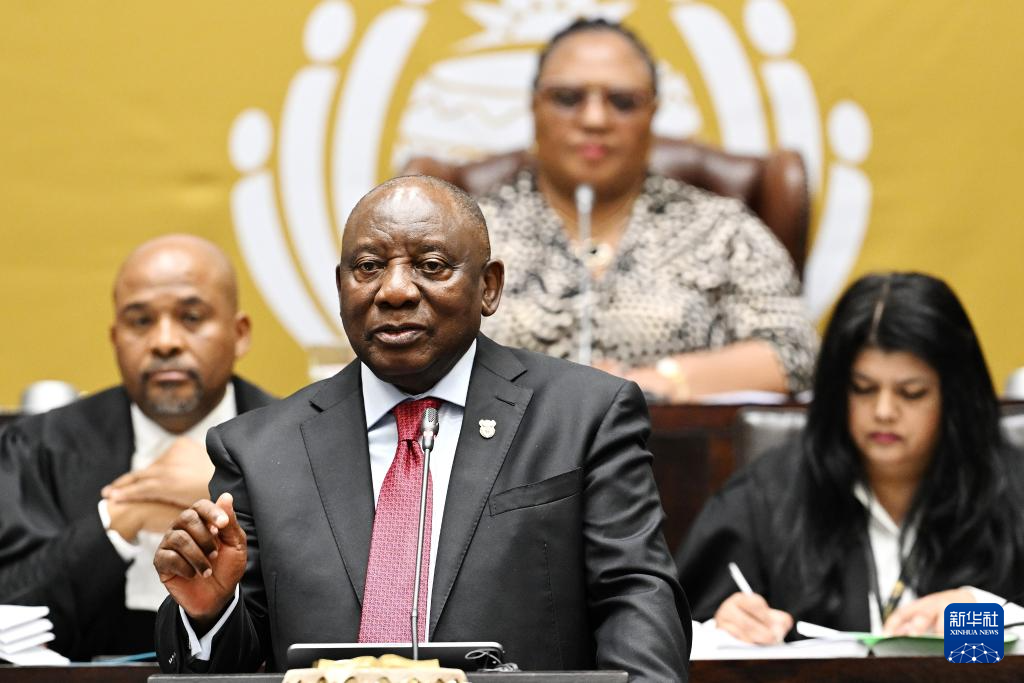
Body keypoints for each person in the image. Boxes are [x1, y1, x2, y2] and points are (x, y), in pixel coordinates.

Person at [153, 176, 690, 681]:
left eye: (431, 265)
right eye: (368, 267)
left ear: (489, 287)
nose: (394, 291)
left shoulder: (584, 416)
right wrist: (209, 612)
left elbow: (635, 598)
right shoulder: (258, 450)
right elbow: (232, 665)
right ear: (340, 287)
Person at [476, 18, 817, 401]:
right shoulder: (474, 231)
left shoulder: (720, 229)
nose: (594, 119)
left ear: (652, 112)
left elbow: (795, 353)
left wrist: (658, 382)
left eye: (622, 102)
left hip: (671, 436)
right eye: (568, 98)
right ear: (534, 105)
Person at [676, 272, 1024, 643]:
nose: (884, 411)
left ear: (954, 397)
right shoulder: (765, 497)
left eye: (911, 393)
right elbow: (673, 639)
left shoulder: (1013, 492)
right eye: (863, 389)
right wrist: (723, 630)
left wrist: (983, 619)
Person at [0, 234, 273, 660]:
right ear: (115, 337)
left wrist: (225, 491)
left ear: (239, 334)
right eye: (141, 321)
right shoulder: (41, 445)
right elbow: (11, 607)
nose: (164, 342)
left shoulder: (293, 439)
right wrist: (119, 519)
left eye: (191, 317)